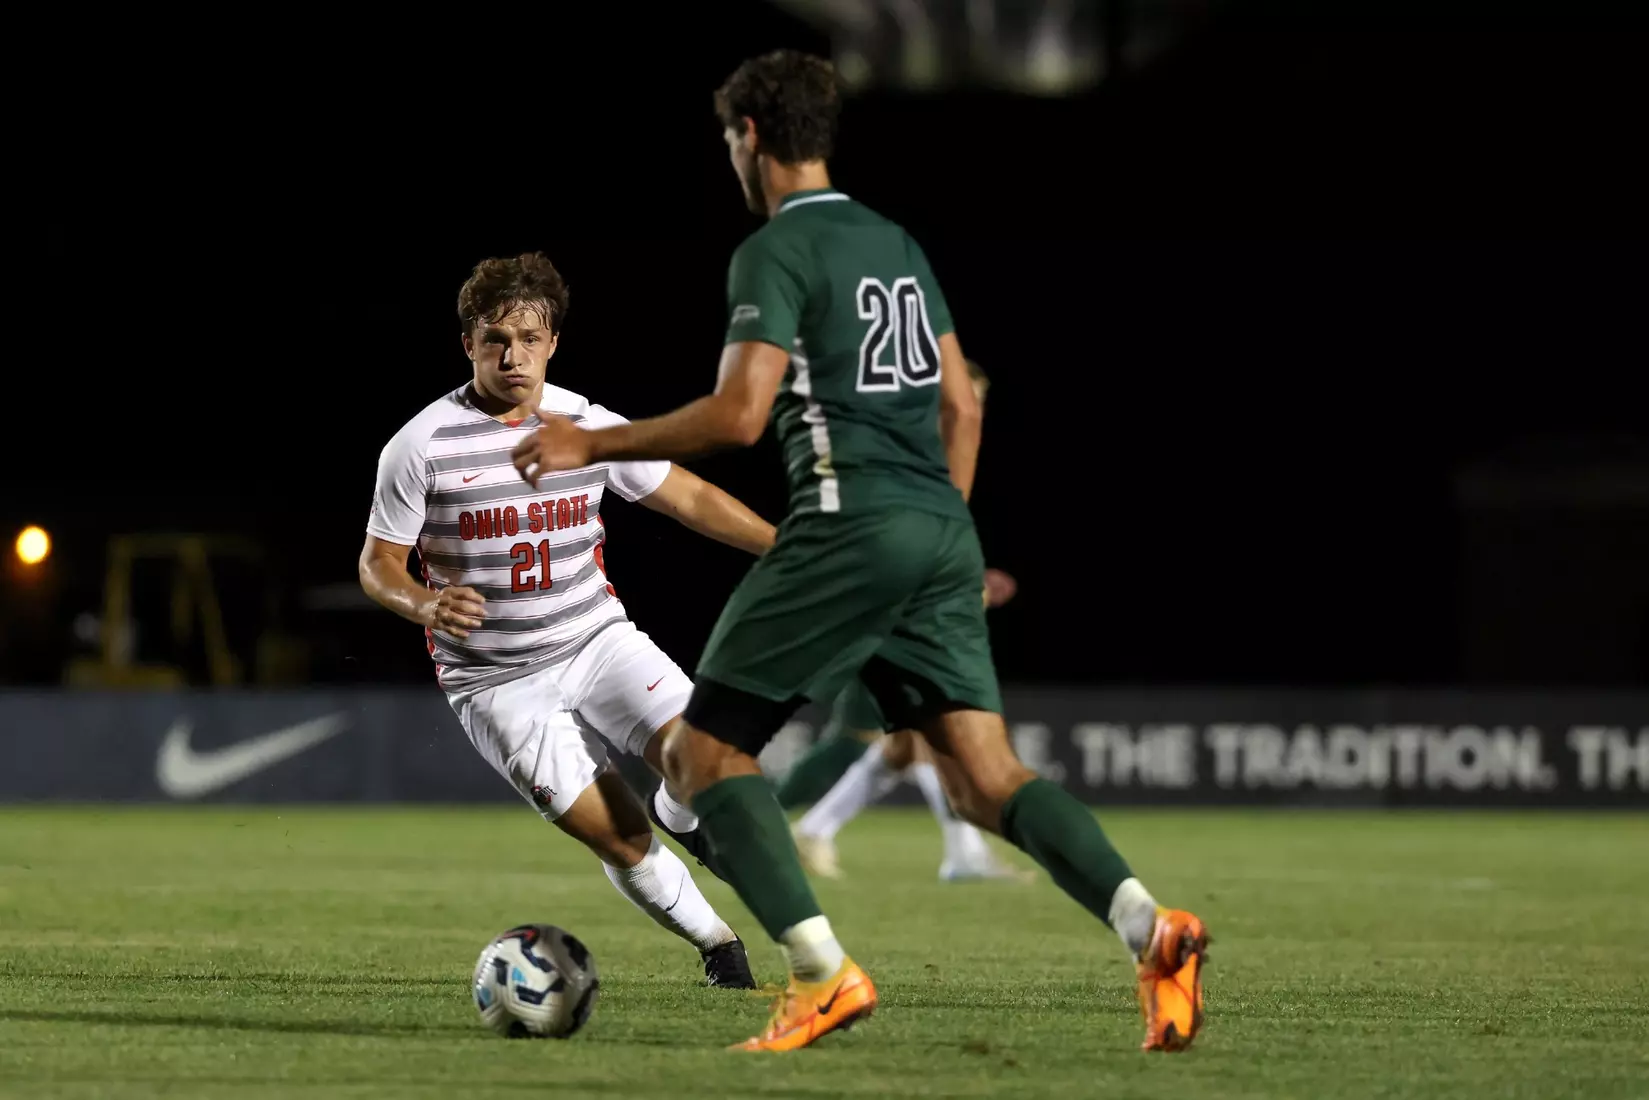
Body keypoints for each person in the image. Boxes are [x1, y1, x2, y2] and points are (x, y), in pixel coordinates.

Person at [508, 50, 1209, 1054]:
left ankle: (819, 973)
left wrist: (593, 440)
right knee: (983, 775)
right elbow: (960, 399)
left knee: (702, 757)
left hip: (847, 522)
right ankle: (1150, 925)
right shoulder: (896, 242)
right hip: (935, 526)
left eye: (726, 144)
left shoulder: (771, 251)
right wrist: (941, 535)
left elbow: (740, 416)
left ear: (749, 136)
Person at [359, 252, 771, 991]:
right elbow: (377, 564)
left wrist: (785, 548)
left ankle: (684, 815)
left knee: (707, 756)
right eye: (494, 339)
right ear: (468, 345)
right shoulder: (420, 445)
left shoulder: (583, 423)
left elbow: (688, 497)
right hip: (495, 682)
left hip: (594, 641)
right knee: (618, 834)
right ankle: (720, 948)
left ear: (553, 343)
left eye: (527, 337)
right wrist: (423, 602)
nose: (511, 354)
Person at [787, 361, 1032, 883]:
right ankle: (962, 852)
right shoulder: (909, 456)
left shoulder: (936, 458)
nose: (974, 414)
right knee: (935, 724)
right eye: (967, 401)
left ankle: (818, 828)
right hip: (886, 607)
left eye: (979, 403)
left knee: (907, 741)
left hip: (897, 603)